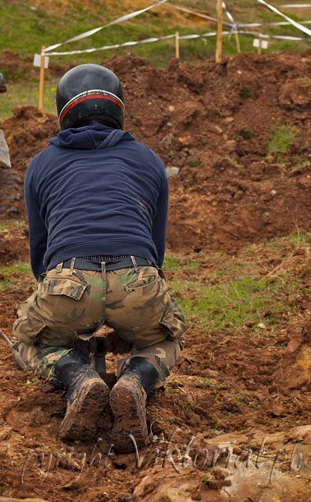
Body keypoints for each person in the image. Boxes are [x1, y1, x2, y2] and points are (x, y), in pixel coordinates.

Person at [11, 64, 187, 451]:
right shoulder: (148, 160)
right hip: (138, 279)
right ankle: (136, 380)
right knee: (168, 340)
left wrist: (66, 301)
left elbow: (39, 249)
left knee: (27, 341)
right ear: (118, 107)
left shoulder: (41, 164)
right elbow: (155, 248)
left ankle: (77, 378)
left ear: (63, 112)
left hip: (67, 281)